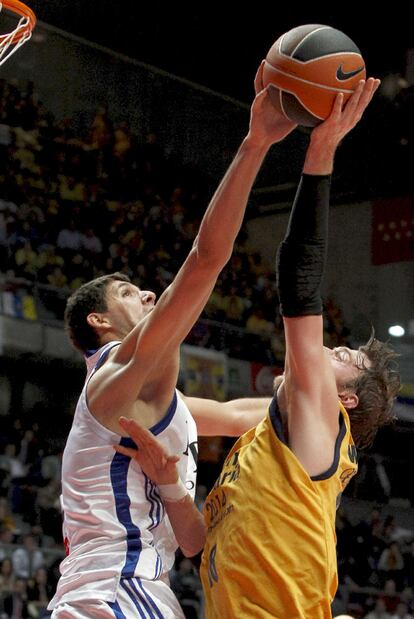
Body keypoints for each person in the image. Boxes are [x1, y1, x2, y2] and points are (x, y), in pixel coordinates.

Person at [118, 76, 401, 618]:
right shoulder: (272, 429)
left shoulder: (320, 419)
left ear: (343, 401)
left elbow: (299, 278)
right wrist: (110, 383)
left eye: (342, 359)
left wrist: (320, 153)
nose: (327, 352)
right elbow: (182, 416)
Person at [48, 66, 297, 618]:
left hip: (126, 590)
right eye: (131, 292)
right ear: (99, 322)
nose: (149, 293)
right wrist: (255, 144)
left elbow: (240, 416)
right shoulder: (118, 376)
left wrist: (335, 395)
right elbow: (208, 258)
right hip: (115, 591)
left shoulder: (159, 400)